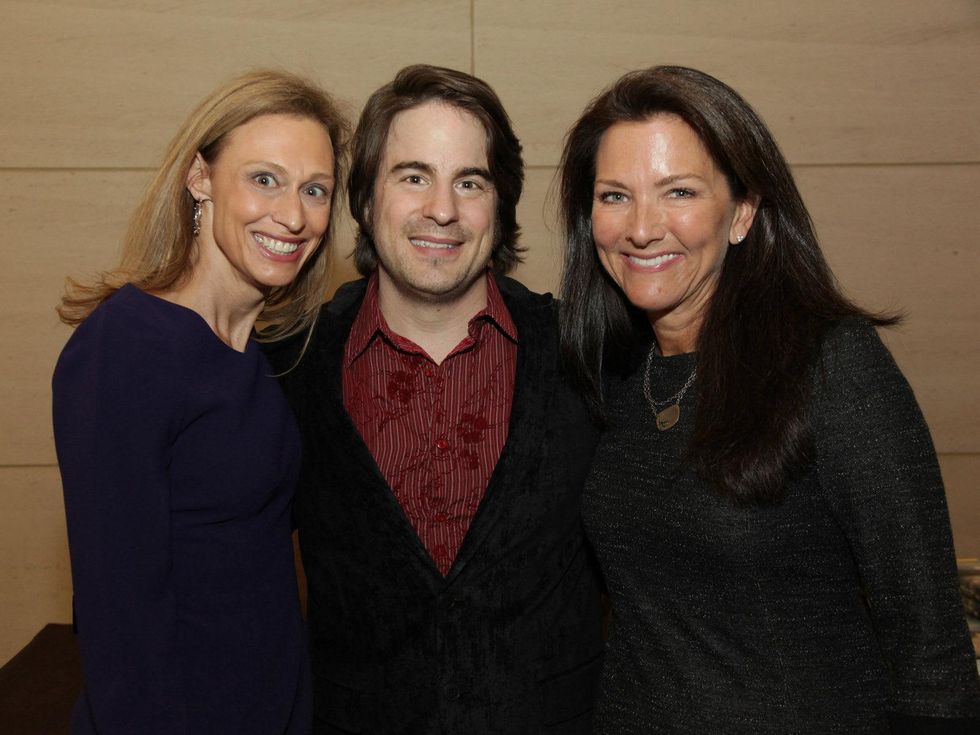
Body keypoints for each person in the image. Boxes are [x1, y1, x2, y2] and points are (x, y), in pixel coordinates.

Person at [558, 65, 980, 734]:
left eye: (679, 191)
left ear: (743, 212)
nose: (641, 228)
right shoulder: (608, 372)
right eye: (615, 196)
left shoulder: (829, 364)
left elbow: (933, 656)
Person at [266, 64, 604, 734]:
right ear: (365, 200)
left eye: (470, 182)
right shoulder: (286, 369)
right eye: (413, 176)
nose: (442, 209)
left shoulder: (588, 355)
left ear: (501, 206)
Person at [52, 69, 348, 734]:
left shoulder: (269, 354)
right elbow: (118, 616)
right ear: (200, 178)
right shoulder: (125, 348)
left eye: (315, 190)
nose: (293, 215)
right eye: (264, 178)